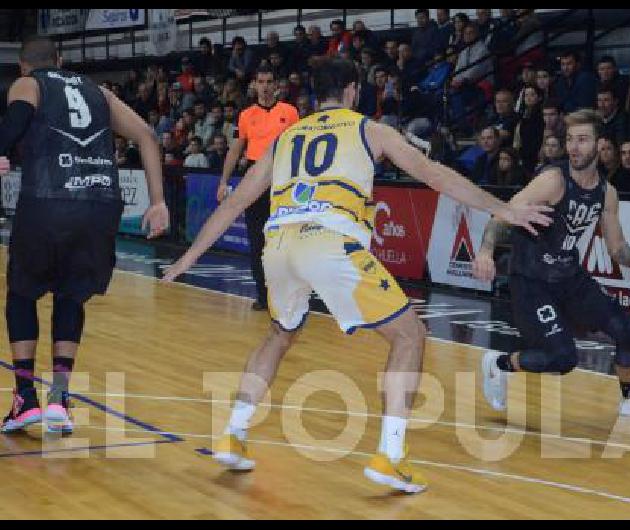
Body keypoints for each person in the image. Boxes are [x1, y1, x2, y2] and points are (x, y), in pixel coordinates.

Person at [162, 57, 552, 493]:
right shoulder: (369, 129)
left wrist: (188, 258)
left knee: (279, 333)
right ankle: (391, 455)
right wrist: (504, 208)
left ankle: (232, 432)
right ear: (351, 91)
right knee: (410, 336)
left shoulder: (287, 136)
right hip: (328, 240)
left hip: (279, 246)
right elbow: (434, 175)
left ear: (314, 94)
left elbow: (234, 204)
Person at [0, 36, 169, 434]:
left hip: (49, 198)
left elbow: (13, 126)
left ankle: (25, 397)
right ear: (62, 60)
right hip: (99, 203)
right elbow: (146, 134)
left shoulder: (29, 84)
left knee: (22, 293)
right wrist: (157, 201)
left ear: (25, 65)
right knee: (70, 293)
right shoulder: (99, 92)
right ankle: (59, 398)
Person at [472, 109, 630, 421]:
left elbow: (617, 247)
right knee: (562, 358)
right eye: (570, 140)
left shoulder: (606, 193)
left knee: (627, 329)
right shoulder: (553, 181)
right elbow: (502, 215)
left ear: (600, 144)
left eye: (582, 139)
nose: (574, 147)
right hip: (532, 280)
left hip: (569, 276)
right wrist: (485, 252)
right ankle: (499, 364)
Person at [216, 67, 299, 310]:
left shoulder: (289, 112)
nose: (265, 86)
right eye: (260, 81)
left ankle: (290, 293)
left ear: (276, 85)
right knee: (257, 239)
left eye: (269, 81)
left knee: (286, 238)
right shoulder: (246, 115)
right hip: (254, 176)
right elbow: (235, 149)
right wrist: (223, 181)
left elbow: (300, 145)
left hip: (283, 176)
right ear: (254, 84)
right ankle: (263, 295)